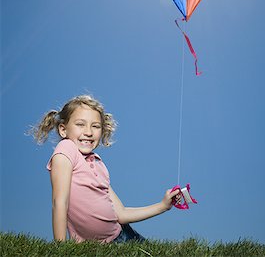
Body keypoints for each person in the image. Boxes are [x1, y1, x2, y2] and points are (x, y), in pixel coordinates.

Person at [31, 95, 180, 243]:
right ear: (63, 130)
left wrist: (162, 206)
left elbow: (121, 214)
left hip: (123, 235)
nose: (88, 132)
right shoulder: (66, 149)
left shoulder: (98, 164)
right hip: (96, 247)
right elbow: (59, 202)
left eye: (95, 126)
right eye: (80, 124)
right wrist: (60, 248)